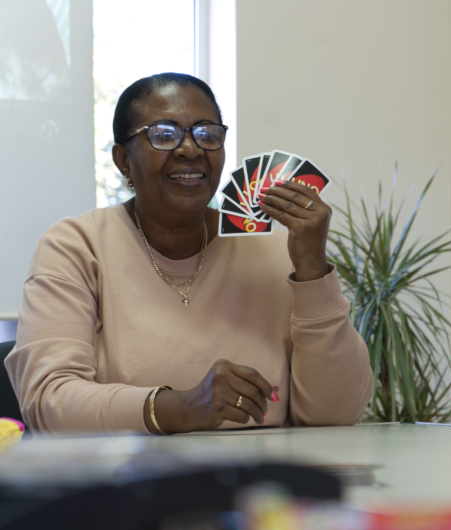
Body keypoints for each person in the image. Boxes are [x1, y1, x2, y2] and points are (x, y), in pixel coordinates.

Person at [5, 73, 373, 435]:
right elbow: (48, 401)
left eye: (207, 134)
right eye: (163, 135)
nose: (191, 149)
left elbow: (334, 414)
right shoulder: (76, 247)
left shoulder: (278, 252)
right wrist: (182, 408)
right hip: (125, 481)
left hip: (261, 481)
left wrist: (312, 269)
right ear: (123, 160)